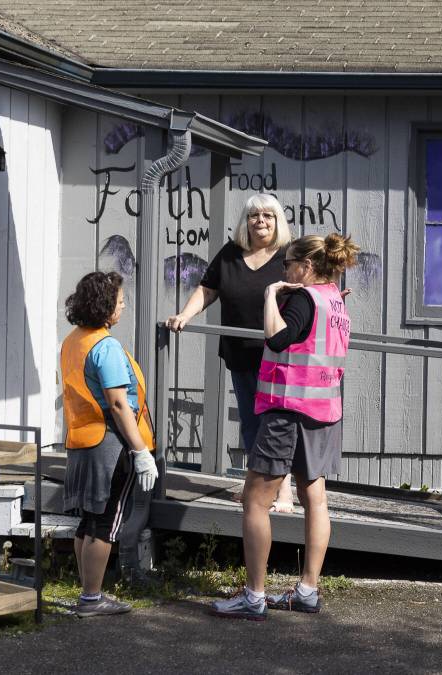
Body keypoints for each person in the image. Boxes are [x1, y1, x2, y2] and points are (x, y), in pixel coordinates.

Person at [210, 233, 360, 620]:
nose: (283, 269)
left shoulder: (303, 299)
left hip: (287, 410)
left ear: (306, 267)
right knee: (316, 498)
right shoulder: (334, 299)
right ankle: (307, 590)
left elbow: (278, 338)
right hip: (323, 411)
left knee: (255, 501)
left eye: (288, 263)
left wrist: (269, 295)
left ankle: (254, 596)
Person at [165, 193, 297, 512]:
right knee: (251, 422)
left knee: (276, 422)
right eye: (254, 216)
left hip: (279, 355)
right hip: (240, 354)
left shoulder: (288, 256)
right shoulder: (230, 254)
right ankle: (256, 486)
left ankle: (284, 491)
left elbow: (308, 290)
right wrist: (185, 314)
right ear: (245, 222)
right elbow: (207, 289)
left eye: (268, 215)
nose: (260, 221)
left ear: (278, 221)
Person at [60, 271, 158, 617]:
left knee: (88, 520)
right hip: (110, 445)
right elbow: (118, 404)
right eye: (119, 301)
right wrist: (140, 451)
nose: (123, 305)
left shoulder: (73, 340)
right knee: (106, 522)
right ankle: (92, 597)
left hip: (82, 440)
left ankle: (87, 591)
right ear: (104, 307)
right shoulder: (106, 346)